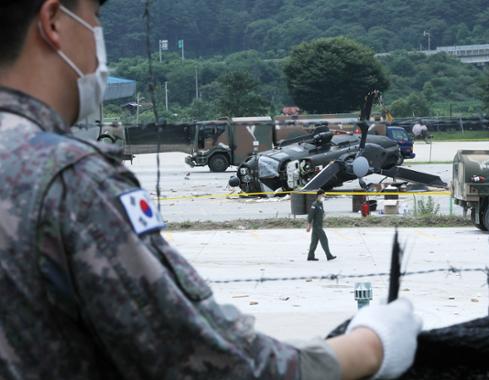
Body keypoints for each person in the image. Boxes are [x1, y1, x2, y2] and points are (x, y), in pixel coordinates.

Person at [0, 1, 422, 379]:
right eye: (96, 16)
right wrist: (371, 346)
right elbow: (214, 363)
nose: (98, 40)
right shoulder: (74, 181)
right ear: (53, 21)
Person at [306, 190, 337, 261]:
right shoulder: (314, 204)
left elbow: (321, 212)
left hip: (319, 225)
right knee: (324, 239)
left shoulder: (320, 204)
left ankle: (310, 256)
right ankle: (328, 255)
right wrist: (309, 225)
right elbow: (311, 215)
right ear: (319, 196)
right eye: (323, 196)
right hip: (317, 226)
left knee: (314, 242)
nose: (324, 197)